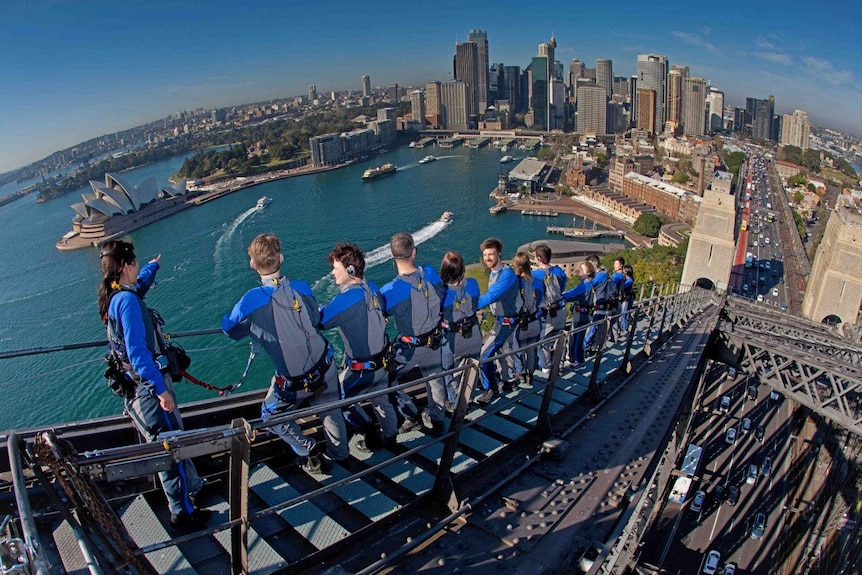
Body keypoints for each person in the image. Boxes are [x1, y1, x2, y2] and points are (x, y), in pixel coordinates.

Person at [98, 240, 210, 531]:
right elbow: (138, 353)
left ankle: (193, 488)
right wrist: (161, 390)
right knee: (170, 451)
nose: (137, 269)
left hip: (136, 389)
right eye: (135, 264)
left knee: (173, 443)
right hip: (149, 390)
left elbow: (140, 285)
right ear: (124, 267)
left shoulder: (116, 295)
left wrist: (153, 266)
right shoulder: (128, 302)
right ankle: (182, 514)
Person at [223, 233, 348, 474]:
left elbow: (229, 328)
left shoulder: (251, 300)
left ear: (252, 264)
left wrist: (254, 326)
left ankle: (308, 450)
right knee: (331, 410)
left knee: (270, 416)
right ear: (281, 258)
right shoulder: (301, 287)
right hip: (326, 363)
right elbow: (314, 319)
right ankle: (341, 456)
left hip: (296, 382)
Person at [318, 242, 398, 452]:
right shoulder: (371, 287)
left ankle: (369, 430)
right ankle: (391, 440)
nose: (332, 272)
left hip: (363, 372)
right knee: (382, 401)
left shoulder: (346, 299)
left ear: (350, 270)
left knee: (334, 401)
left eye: (336, 267)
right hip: (382, 364)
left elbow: (320, 321)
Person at [379, 233, 448, 436]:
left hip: (411, 347)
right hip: (435, 340)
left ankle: (410, 414)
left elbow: (377, 311)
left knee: (386, 380)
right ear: (414, 252)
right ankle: (438, 419)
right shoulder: (431, 273)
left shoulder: (391, 290)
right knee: (435, 380)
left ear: (392, 256)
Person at [475, 237, 519, 404]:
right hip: (501, 320)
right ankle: (509, 382)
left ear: (499, 254)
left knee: (484, 354)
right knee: (503, 353)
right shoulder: (495, 273)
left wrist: (468, 306)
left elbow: (492, 296)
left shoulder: (506, 274)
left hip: (506, 322)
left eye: (491, 254)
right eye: (485, 255)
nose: (487, 258)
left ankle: (490, 388)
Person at [439, 251, 481, 412]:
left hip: (453, 340)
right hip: (474, 335)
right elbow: (476, 303)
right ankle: (468, 398)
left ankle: (454, 401)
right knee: (472, 369)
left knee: (448, 371)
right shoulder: (473, 284)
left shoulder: (442, 293)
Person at [531, 244, 568, 375]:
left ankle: (546, 368)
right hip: (561, 309)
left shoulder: (535, 275)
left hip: (547, 314)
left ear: (538, 258)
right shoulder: (559, 271)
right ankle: (560, 364)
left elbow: (535, 294)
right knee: (560, 338)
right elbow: (563, 286)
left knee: (543, 342)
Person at [510, 252, 543, 389]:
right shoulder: (537, 281)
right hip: (535, 321)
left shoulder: (516, 283)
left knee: (517, 350)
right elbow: (541, 299)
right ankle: (530, 374)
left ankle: (521, 374)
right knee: (532, 351)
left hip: (521, 324)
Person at [561, 260, 596, 369]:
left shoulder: (584, 285)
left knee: (576, 337)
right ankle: (578, 359)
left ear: (588, 272)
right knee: (579, 337)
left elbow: (571, 294)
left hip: (580, 315)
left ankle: (577, 360)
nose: (579, 270)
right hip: (586, 314)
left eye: (582, 269)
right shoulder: (591, 283)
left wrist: (559, 296)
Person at [583, 254, 612, 354]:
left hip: (599, 307)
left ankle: (585, 347)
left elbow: (586, 286)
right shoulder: (605, 274)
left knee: (592, 328)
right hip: (605, 306)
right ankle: (593, 347)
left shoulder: (599, 276)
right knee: (598, 328)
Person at [607, 257, 626, 342]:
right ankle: (615, 338)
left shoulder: (616, 276)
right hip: (618, 301)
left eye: (616, 264)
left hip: (613, 301)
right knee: (615, 321)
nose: (614, 265)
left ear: (620, 265)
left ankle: (607, 339)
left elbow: (609, 286)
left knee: (609, 321)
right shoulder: (623, 276)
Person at [619, 264, 636, 334]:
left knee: (624, 313)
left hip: (626, 299)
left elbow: (623, 286)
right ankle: (624, 327)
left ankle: (625, 328)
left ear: (626, 271)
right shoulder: (629, 279)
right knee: (625, 313)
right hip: (626, 299)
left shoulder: (629, 280)